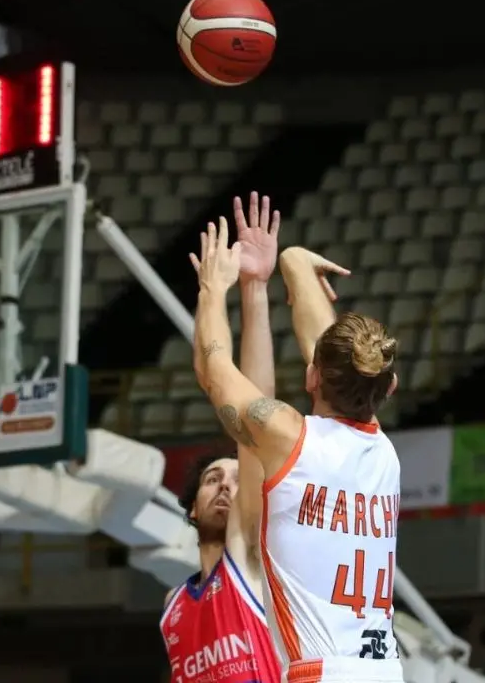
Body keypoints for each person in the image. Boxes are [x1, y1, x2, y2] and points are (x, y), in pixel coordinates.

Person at [191, 218, 404, 683]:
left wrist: (213, 288)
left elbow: (213, 370)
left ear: (311, 378)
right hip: (386, 671)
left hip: (321, 674)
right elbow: (330, 359)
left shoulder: (287, 436)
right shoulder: (383, 452)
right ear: (389, 387)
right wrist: (294, 265)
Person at [160, 193, 282, 683]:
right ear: (191, 507)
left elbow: (254, 413)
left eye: (236, 476)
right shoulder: (172, 608)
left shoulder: (246, 556)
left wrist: (252, 291)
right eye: (214, 478)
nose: (229, 485)